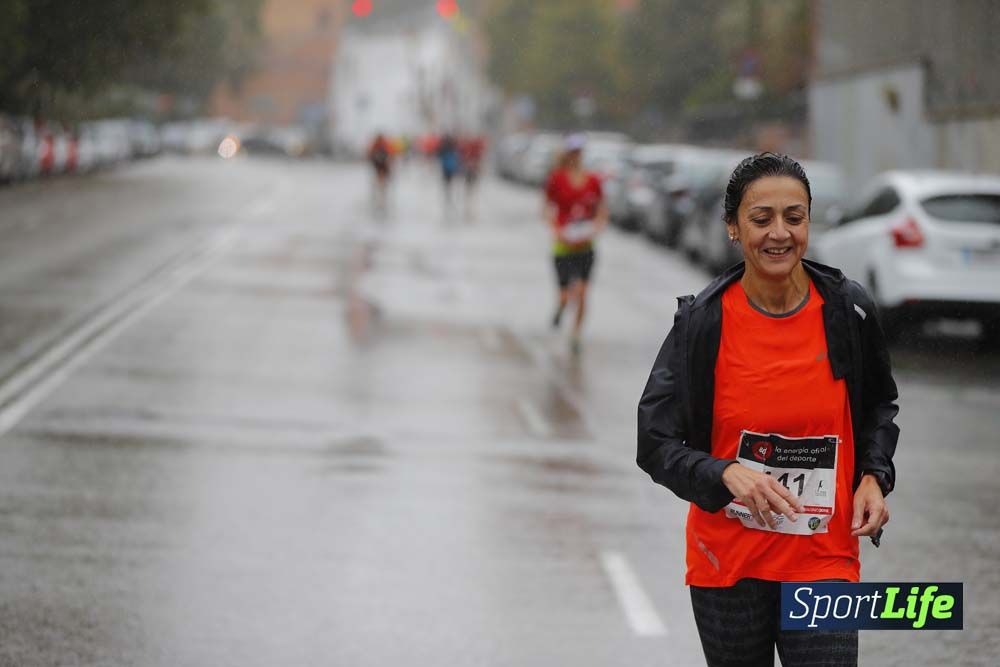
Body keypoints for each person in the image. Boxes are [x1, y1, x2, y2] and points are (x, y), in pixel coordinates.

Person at [637, 153, 899, 666]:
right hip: (728, 567)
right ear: (733, 228)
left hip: (824, 562)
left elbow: (878, 407)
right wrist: (724, 473)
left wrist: (873, 476)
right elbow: (654, 442)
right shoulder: (702, 323)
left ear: (808, 222)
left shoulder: (848, 311)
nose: (779, 233)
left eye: (794, 217)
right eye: (761, 220)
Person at [543, 134, 609, 354]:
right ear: (567, 154)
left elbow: (601, 207)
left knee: (581, 292)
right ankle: (560, 309)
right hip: (563, 247)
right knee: (564, 296)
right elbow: (545, 207)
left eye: (579, 152)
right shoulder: (556, 179)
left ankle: (576, 334)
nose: (576, 156)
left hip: (585, 247)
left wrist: (598, 225)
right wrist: (556, 229)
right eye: (573, 152)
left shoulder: (593, 180)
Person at [367, 133, 393, 215]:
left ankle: (381, 193)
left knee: (381, 180)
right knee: (381, 181)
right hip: (380, 165)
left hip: (381, 165)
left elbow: (390, 154)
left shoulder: (379, 144)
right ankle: (381, 193)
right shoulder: (379, 144)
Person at [437, 133, 460, 207]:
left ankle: (447, 190)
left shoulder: (444, 146)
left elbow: (439, 154)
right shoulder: (452, 146)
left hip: (446, 166)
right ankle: (449, 190)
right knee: (449, 179)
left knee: (447, 180)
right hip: (450, 166)